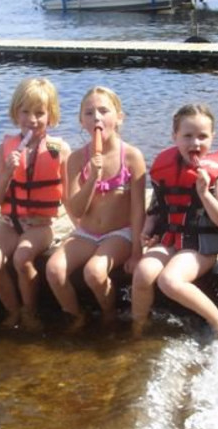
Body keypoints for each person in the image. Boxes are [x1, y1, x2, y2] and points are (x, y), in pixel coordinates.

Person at [131, 103, 218, 339]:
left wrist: (204, 193)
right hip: (170, 238)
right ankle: (137, 329)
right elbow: (157, 206)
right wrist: (147, 230)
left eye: (202, 136)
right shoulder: (165, 166)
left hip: (201, 246)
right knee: (142, 273)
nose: (195, 143)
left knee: (169, 281)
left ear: (213, 137)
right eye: (187, 136)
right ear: (175, 137)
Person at [45, 86, 146, 328]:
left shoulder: (132, 157)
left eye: (104, 111)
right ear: (82, 121)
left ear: (119, 117)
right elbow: (77, 210)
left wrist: (136, 251)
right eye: (89, 113)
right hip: (86, 232)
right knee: (54, 270)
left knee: (94, 273)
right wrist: (92, 178)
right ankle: (75, 314)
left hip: (119, 232)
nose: (97, 118)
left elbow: (138, 209)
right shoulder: (77, 159)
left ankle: (109, 313)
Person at [0, 78, 71, 329]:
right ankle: (14, 310)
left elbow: (68, 194)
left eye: (39, 113)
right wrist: (7, 173)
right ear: (15, 113)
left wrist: (81, 227)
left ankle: (31, 310)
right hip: (10, 223)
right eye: (25, 112)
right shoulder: (3, 149)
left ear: (51, 115)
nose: (31, 119)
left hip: (40, 224)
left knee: (22, 259)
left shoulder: (60, 149)